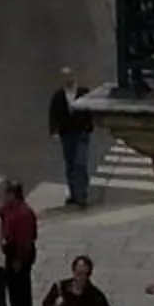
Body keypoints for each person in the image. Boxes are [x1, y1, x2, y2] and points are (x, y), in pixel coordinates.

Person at [0, 177, 41, 306]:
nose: (4, 196)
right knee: (13, 285)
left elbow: (26, 240)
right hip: (11, 249)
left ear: (14, 195)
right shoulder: (9, 208)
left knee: (21, 286)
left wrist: (19, 259)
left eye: (7, 193)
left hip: (20, 252)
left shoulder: (23, 213)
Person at [48, 70, 98, 208]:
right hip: (67, 133)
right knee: (70, 164)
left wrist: (90, 125)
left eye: (70, 77)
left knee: (80, 163)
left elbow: (91, 109)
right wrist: (54, 130)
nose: (68, 80)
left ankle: (82, 194)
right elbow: (53, 113)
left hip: (82, 132)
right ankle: (74, 193)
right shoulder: (58, 96)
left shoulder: (84, 93)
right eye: (65, 77)